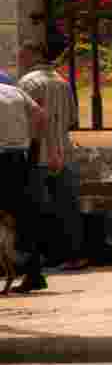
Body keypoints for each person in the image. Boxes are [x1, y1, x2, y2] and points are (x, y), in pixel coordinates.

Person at [19, 34, 87, 274]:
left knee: (36, 208)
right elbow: (71, 120)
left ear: (33, 55)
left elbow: (26, 120)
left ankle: (40, 258)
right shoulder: (62, 81)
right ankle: (74, 255)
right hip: (64, 152)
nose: (21, 58)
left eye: (24, 54)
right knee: (67, 207)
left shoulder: (28, 82)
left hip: (39, 153)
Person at [0, 66, 50, 293]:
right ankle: (34, 273)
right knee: (25, 216)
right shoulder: (15, 92)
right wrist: (33, 142)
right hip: (20, 158)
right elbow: (41, 114)